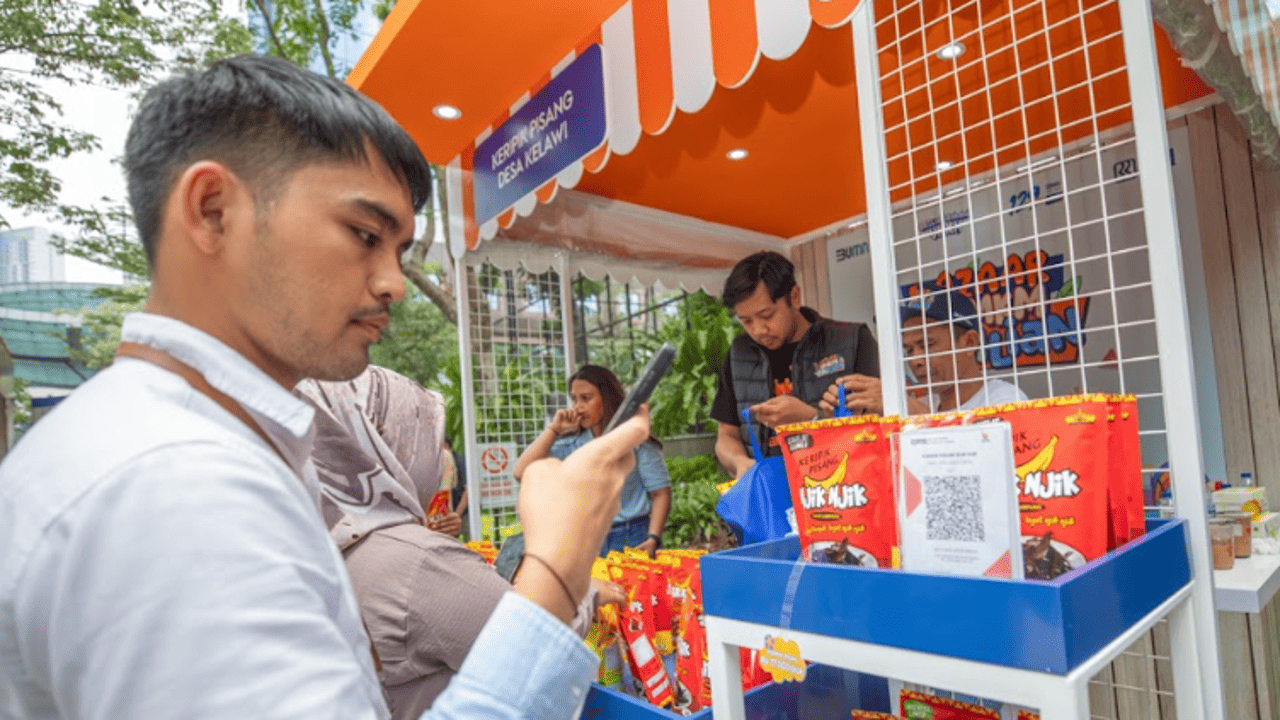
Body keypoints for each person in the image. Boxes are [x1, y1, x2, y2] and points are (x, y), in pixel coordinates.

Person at [0, 54, 651, 720]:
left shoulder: (175, 447)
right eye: (364, 234)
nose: (394, 282)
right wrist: (561, 564)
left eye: (397, 250)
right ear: (213, 210)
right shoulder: (175, 486)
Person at [299, 365, 621, 719]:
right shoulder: (419, 563)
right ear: (385, 448)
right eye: (425, 443)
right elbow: (533, 656)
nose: (435, 463)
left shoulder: (319, 548)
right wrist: (581, 589)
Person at [710, 251, 880, 478]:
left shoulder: (851, 340)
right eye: (746, 321)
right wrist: (739, 463)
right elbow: (726, 435)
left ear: (795, 296)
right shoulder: (739, 353)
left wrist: (811, 419)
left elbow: (877, 426)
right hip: (770, 496)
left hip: (841, 492)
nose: (759, 330)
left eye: (767, 315)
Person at [514, 364, 671, 557]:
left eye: (586, 398)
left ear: (607, 398)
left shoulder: (635, 440)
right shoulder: (572, 443)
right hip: (587, 540)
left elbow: (660, 493)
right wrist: (554, 430)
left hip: (632, 536)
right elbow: (521, 472)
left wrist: (653, 539)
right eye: (574, 399)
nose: (578, 407)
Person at [821, 288, 1028, 415]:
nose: (916, 360)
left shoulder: (1006, 400)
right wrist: (854, 416)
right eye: (909, 349)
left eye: (927, 345)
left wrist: (907, 408)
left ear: (970, 343)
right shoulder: (924, 404)